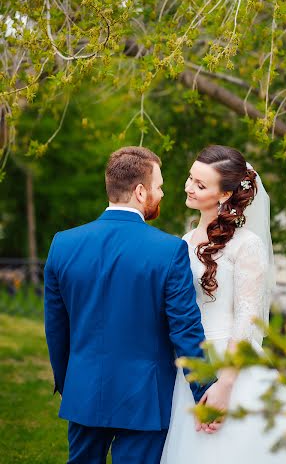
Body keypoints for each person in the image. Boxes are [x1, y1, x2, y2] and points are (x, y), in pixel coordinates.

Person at [44, 146, 213, 464]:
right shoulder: (169, 250)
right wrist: (204, 391)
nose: (161, 194)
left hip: (84, 391)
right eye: (159, 187)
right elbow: (185, 328)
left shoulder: (63, 244)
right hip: (145, 399)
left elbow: (56, 327)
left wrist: (70, 382)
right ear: (140, 191)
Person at [161, 145, 286, 463]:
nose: (189, 187)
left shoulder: (247, 245)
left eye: (200, 184)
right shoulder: (184, 240)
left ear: (223, 196)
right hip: (190, 357)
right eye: (191, 178)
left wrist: (225, 385)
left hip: (231, 360)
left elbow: (247, 318)